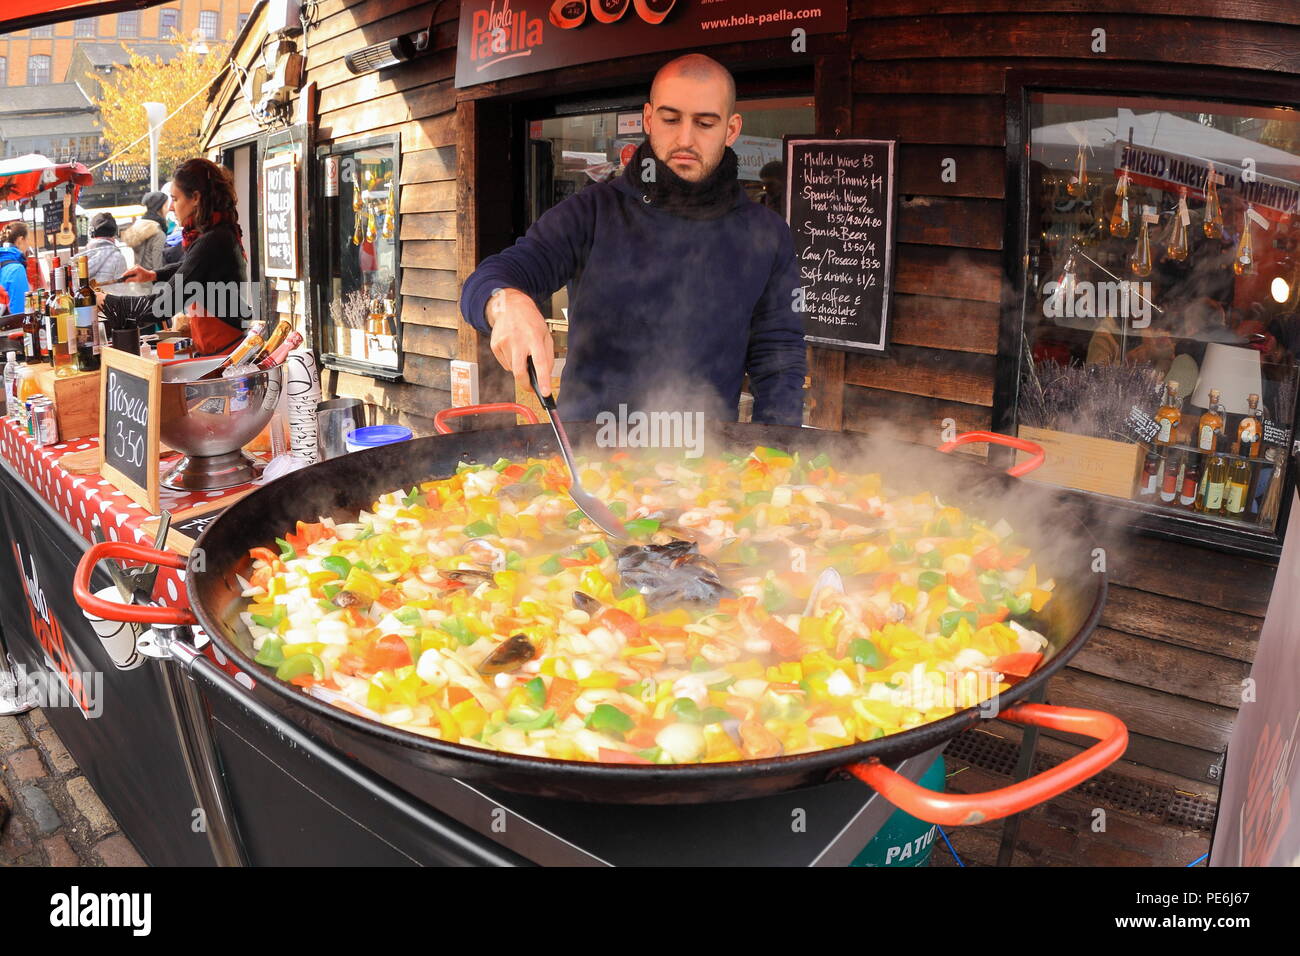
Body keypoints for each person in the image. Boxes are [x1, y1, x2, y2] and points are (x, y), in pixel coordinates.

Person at [460, 54, 807, 425]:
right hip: (591, 454)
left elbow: (779, 356)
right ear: (648, 119)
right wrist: (504, 302)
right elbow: (494, 276)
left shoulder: (766, 233)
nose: (685, 139)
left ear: (732, 129)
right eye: (670, 119)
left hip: (706, 464)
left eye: (705, 123)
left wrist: (778, 454)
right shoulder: (592, 212)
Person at [104, 158, 251, 356]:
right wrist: (153, 275)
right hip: (221, 347)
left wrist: (105, 301)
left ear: (196, 197)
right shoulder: (218, 232)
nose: (172, 207)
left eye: (175, 199)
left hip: (225, 353)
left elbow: (160, 306)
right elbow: (192, 268)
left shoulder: (212, 240)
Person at [121, 190, 169, 273]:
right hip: (153, 283)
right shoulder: (158, 234)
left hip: (139, 282)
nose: (168, 210)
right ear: (158, 208)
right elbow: (158, 267)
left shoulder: (137, 230)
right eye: (165, 206)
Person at [83, 212, 128, 283]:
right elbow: (122, 289)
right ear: (114, 233)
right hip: (107, 294)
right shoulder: (118, 258)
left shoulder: (80, 259)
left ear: (91, 233)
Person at [0, 221, 31, 314]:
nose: (29, 244)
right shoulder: (16, 269)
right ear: (20, 240)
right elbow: (20, 311)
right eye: (28, 239)